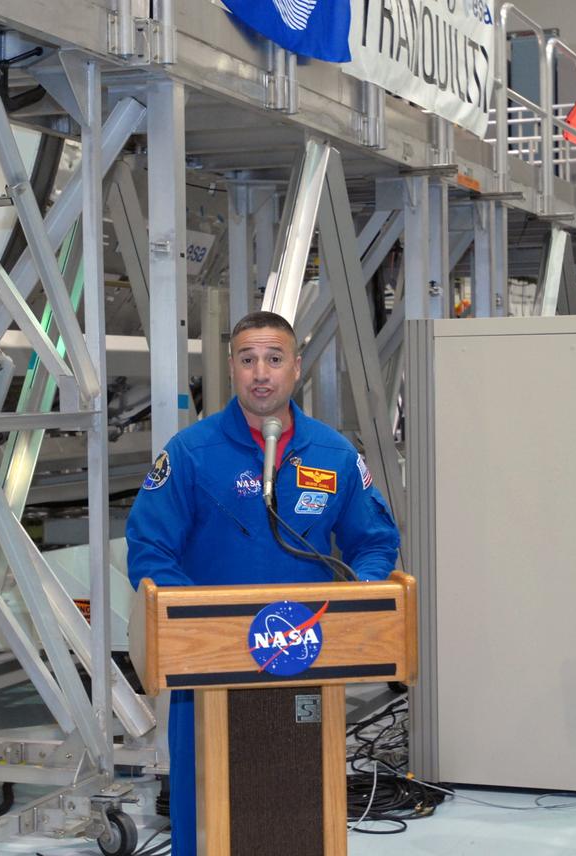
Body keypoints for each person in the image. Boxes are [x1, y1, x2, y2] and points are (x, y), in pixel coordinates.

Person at [126, 310, 400, 856]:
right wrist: (197, 622)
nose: (261, 372)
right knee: (205, 807)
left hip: (305, 656)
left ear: (296, 368)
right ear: (232, 368)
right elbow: (151, 549)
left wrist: (353, 601)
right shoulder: (190, 454)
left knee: (297, 802)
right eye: (248, 359)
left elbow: (374, 543)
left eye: (274, 359)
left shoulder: (333, 454)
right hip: (211, 669)